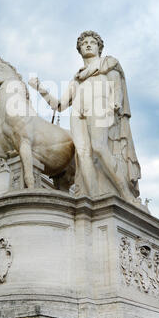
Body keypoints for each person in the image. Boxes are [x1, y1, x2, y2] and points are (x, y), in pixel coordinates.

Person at [28, 31, 141, 201]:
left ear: (99, 47)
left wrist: (114, 105)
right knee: (82, 155)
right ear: (79, 50)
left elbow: (117, 90)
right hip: (77, 114)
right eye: (84, 43)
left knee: (99, 147)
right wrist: (40, 88)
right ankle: (93, 198)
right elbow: (59, 106)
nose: (88, 44)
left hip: (99, 107)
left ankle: (124, 193)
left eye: (92, 42)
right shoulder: (77, 79)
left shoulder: (108, 65)